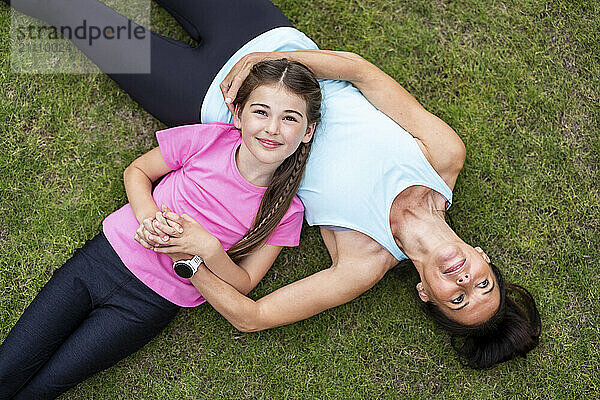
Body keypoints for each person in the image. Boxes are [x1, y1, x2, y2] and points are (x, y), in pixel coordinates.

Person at [1, 0, 541, 371]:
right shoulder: (443, 157)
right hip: (262, 35)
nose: (463, 281)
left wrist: (191, 258)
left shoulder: (361, 263)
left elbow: (251, 316)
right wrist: (273, 62)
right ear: (484, 258)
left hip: (205, 103)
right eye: (483, 285)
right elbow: (357, 72)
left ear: (428, 294)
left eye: (456, 299)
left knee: (71, 15)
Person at [0, 58, 322, 399]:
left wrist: (206, 249)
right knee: (10, 365)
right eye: (261, 112)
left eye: (290, 118)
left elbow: (242, 283)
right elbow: (137, 171)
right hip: (100, 262)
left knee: (47, 386)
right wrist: (148, 218)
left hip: (146, 307)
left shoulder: (285, 211)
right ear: (238, 114)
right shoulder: (208, 140)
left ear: (308, 131)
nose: (273, 128)